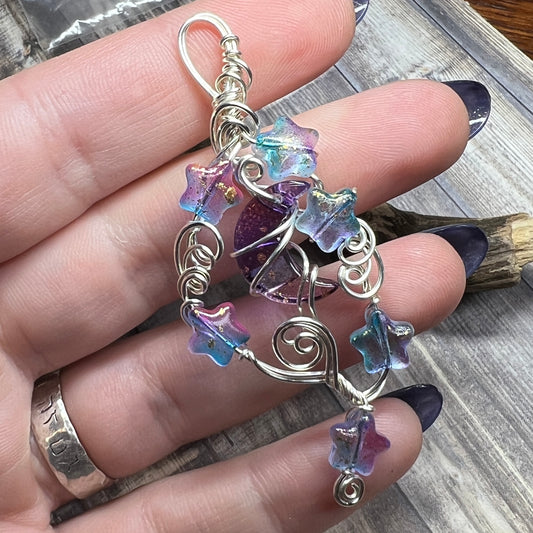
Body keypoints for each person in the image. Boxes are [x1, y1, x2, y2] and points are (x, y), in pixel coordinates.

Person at [0, 0, 490, 530]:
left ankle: (359, 407)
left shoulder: (277, 176)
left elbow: (320, 219)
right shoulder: (223, 192)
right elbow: (211, 245)